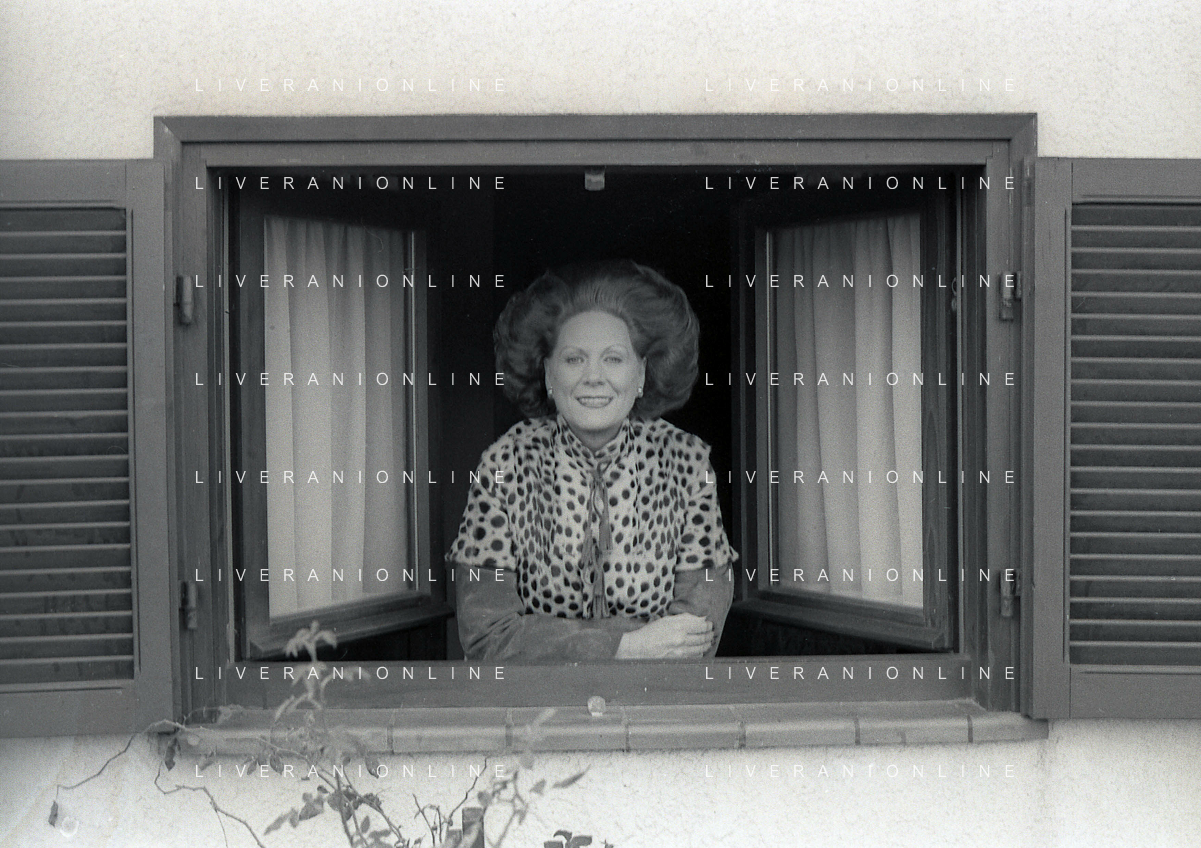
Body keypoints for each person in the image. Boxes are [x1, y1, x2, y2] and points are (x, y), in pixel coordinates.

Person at [447, 260, 737, 662]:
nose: (593, 377)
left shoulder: (686, 463)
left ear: (641, 374)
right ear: (548, 374)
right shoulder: (504, 466)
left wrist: (548, 641)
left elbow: (695, 635)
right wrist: (626, 645)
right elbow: (487, 636)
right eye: (574, 359)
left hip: (653, 694)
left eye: (613, 359)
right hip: (539, 700)